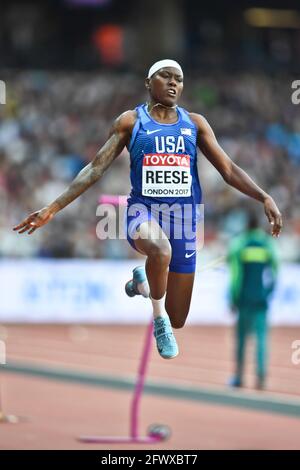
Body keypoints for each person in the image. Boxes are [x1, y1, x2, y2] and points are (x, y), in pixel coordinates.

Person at [13, 59, 282, 360]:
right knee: (160, 252)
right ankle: (158, 320)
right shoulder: (131, 122)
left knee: (178, 315)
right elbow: (94, 169)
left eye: (178, 79)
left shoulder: (194, 124)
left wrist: (264, 197)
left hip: (184, 221)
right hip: (143, 213)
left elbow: (229, 170)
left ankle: (144, 282)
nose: (173, 83)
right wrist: (53, 207)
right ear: (148, 82)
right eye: (165, 77)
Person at [227, 212, 279, 389]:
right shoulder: (267, 244)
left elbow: (235, 276)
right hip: (260, 298)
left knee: (241, 339)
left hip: (244, 298)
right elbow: (275, 272)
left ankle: (239, 376)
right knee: (261, 339)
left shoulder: (239, 244)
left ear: (247, 225)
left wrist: (233, 297)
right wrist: (268, 292)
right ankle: (261, 377)